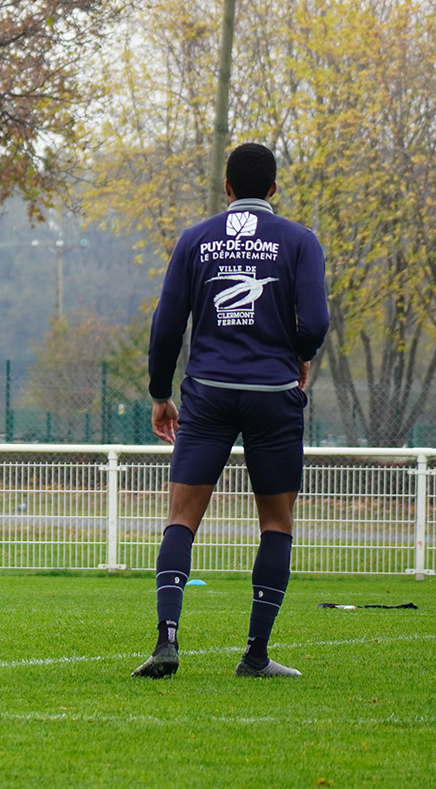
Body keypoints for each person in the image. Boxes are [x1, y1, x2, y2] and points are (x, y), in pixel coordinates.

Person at [133, 143, 329, 678]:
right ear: (273, 189)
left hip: (209, 392)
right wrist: (299, 356)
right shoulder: (299, 241)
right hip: (272, 395)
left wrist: (159, 393)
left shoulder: (196, 239)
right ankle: (256, 655)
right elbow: (313, 322)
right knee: (276, 523)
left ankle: (166, 642)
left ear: (226, 188)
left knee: (182, 518)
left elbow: (168, 325)